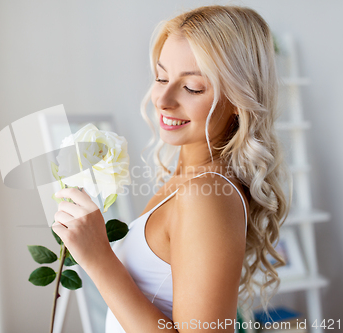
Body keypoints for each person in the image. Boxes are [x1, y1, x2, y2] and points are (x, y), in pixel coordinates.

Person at [52, 5, 291, 332]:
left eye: (192, 87)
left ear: (238, 99)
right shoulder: (188, 179)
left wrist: (99, 259)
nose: (162, 99)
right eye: (161, 77)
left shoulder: (205, 196)